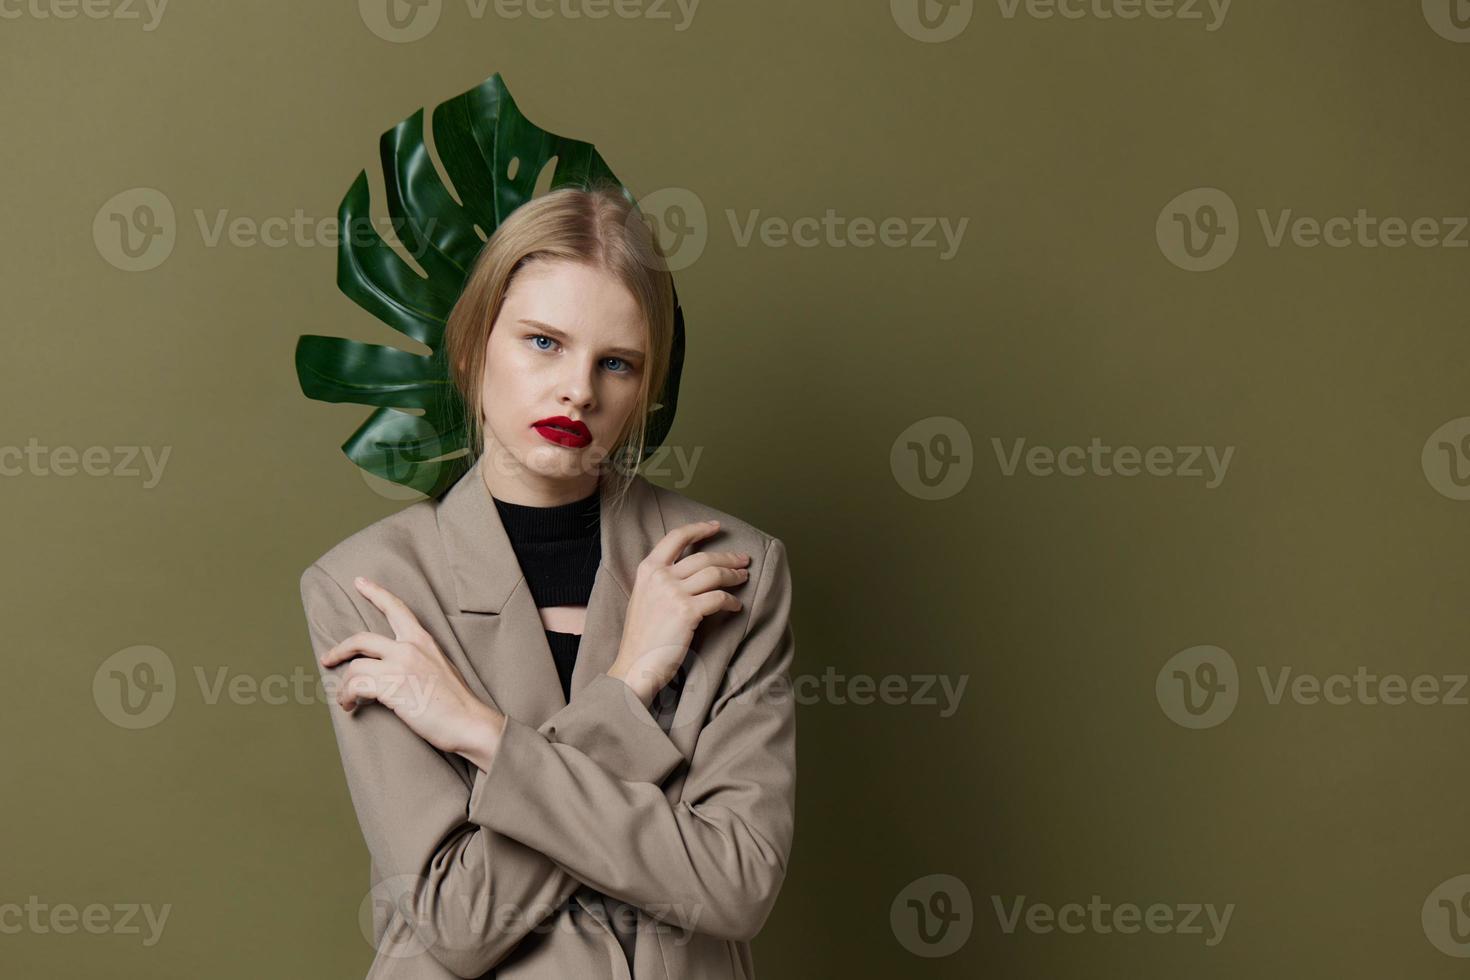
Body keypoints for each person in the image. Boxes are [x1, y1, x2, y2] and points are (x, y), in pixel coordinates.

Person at [298, 184, 797, 979]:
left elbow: (736, 885)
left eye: (616, 363)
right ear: (472, 349)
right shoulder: (369, 587)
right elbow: (459, 919)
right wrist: (630, 687)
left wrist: (485, 736)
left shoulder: (732, 569)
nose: (578, 390)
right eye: (542, 342)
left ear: (645, 388)